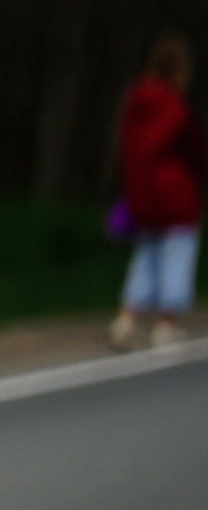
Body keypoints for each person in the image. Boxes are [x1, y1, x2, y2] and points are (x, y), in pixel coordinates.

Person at [110, 31, 201, 350]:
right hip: (176, 197)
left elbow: (127, 149)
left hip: (142, 196)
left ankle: (126, 320)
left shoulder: (135, 103)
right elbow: (196, 151)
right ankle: (165, 325)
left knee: (146, 257)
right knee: (177, 257)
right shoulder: (175, 107)